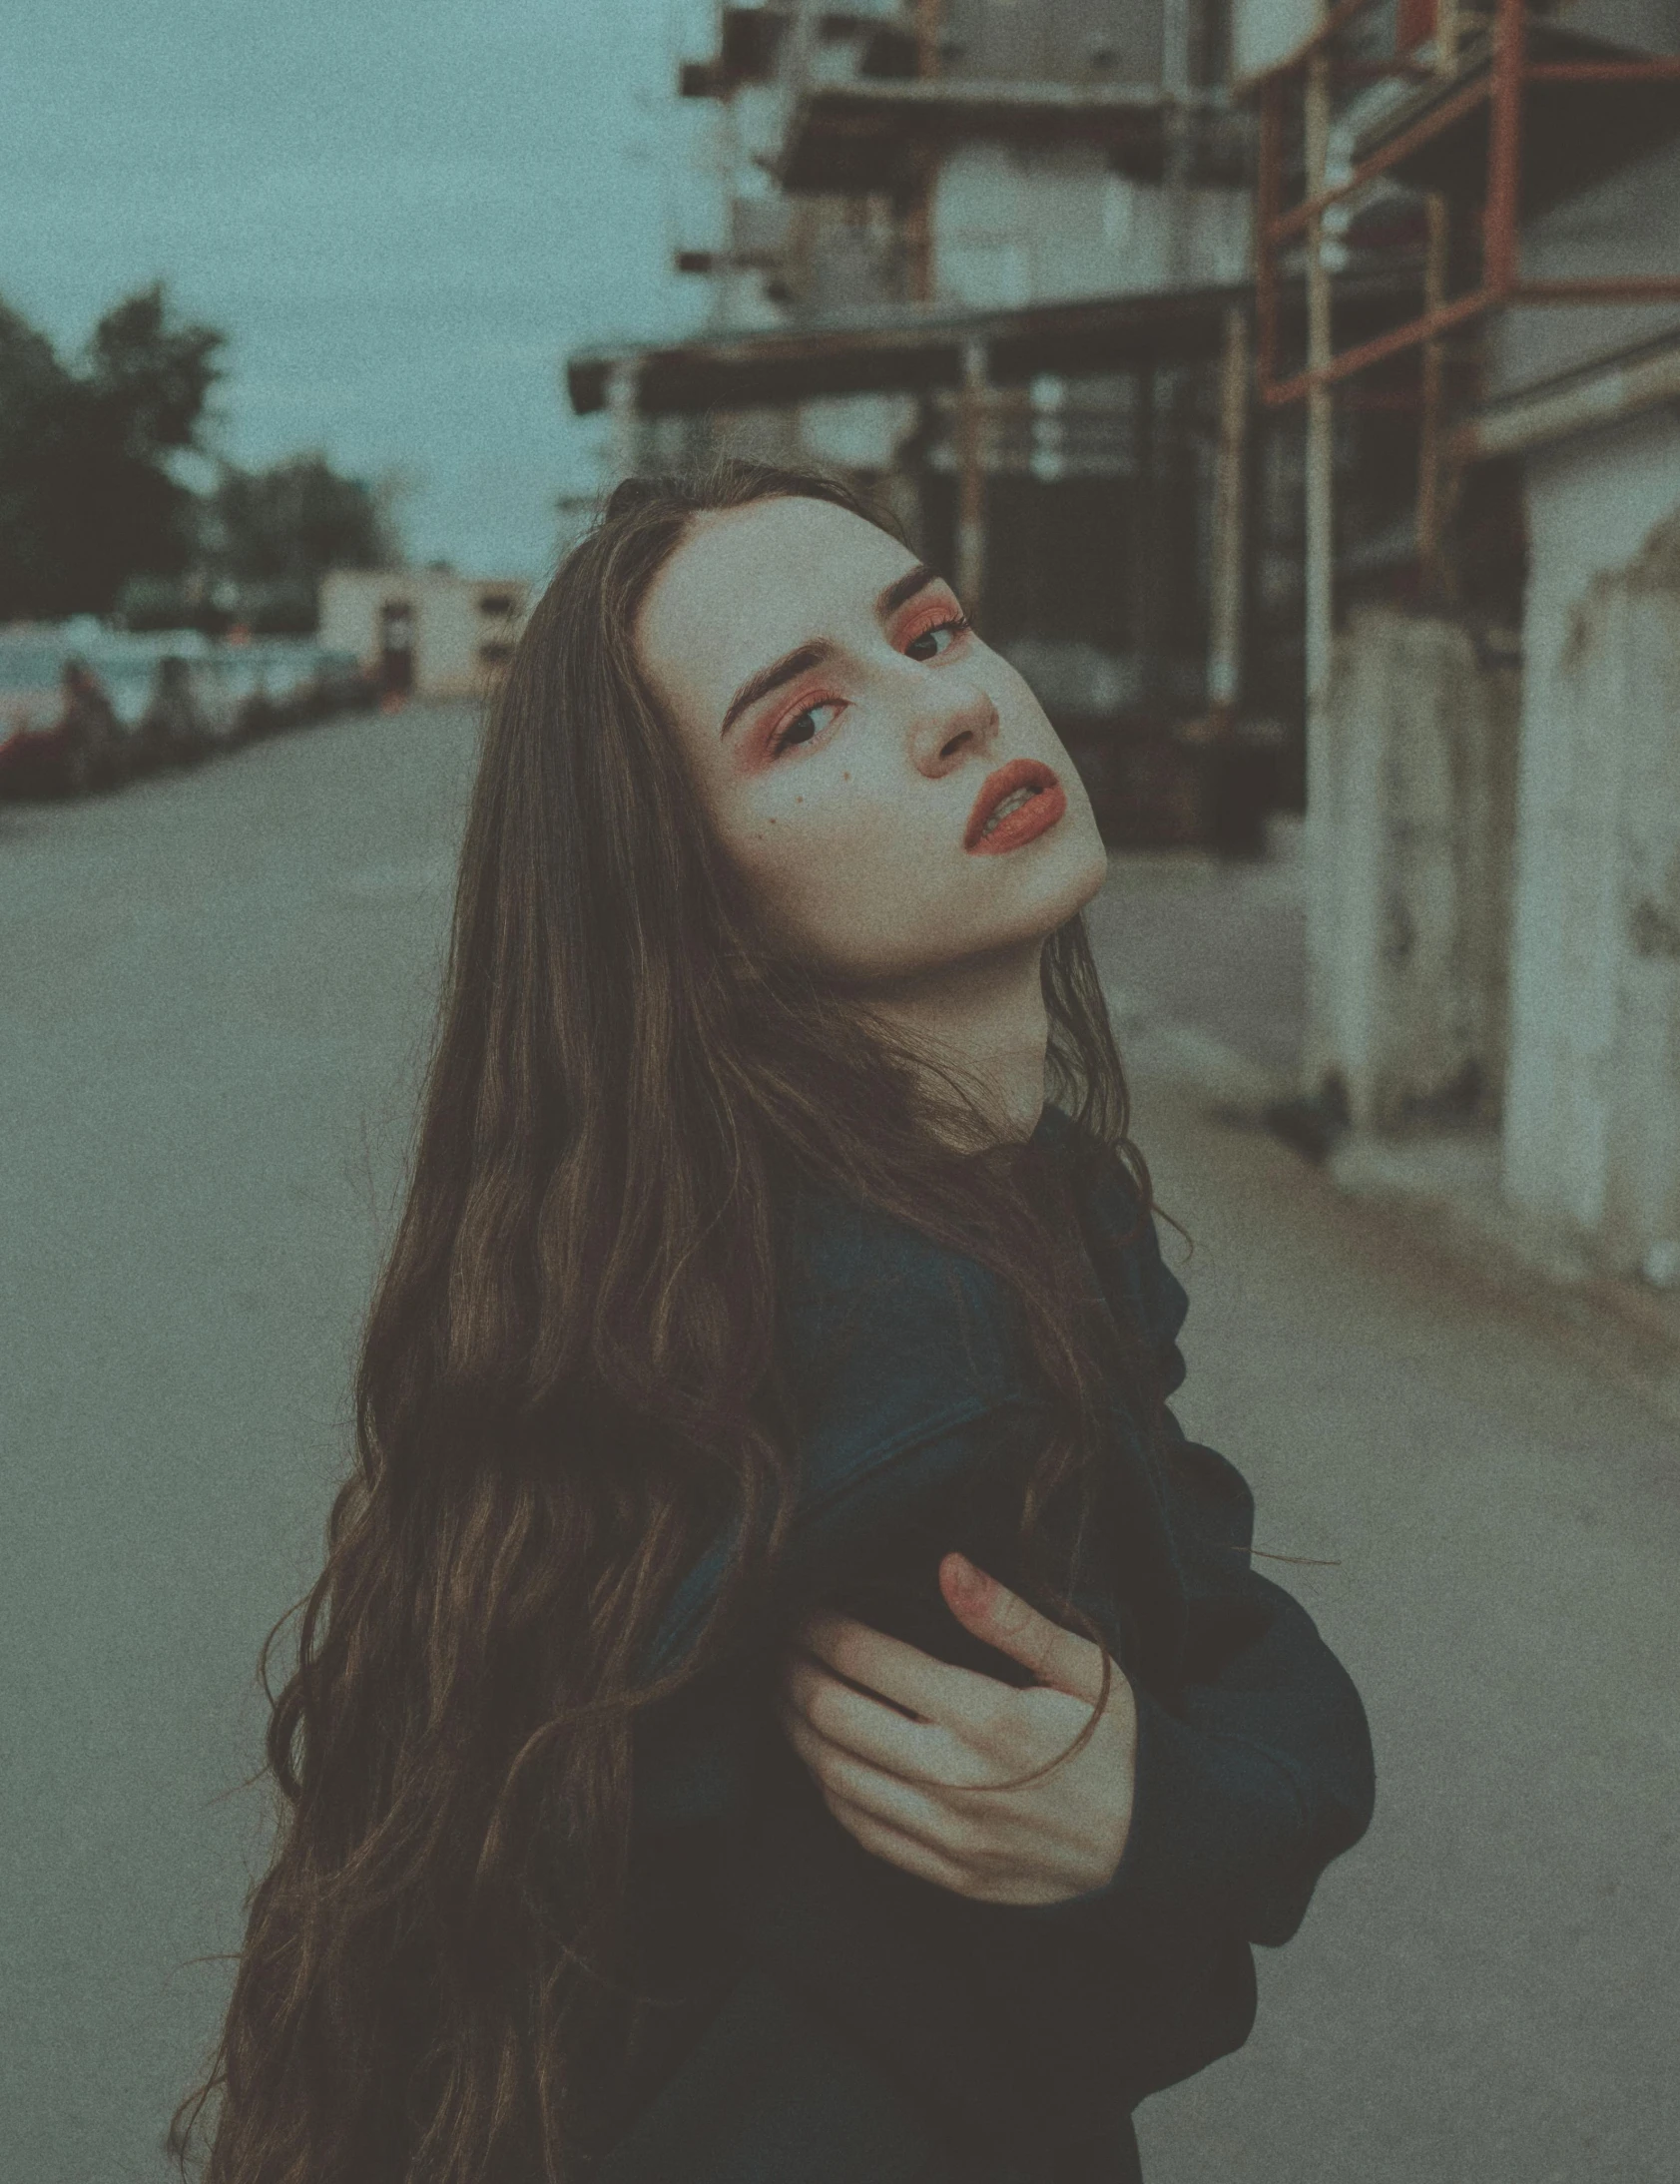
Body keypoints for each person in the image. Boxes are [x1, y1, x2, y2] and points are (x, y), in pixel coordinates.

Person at [173, 458, 1375, 2184]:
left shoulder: (951, 1227)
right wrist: (1159, 1832)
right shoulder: (919, 1361)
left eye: (932, 629)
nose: (950, 709)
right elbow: (1097, 2023)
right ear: (700, 922)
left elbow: (1215, 1606)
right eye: (800, 723)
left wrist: (1157, 1803)